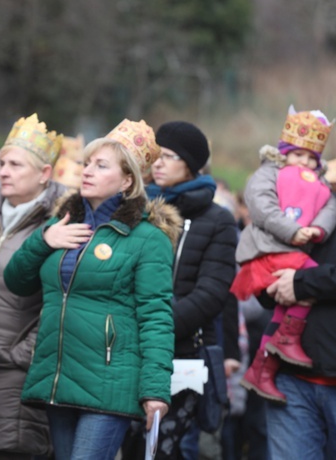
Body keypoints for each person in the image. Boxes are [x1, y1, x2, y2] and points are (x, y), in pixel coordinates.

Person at [3, 120, 181, 460]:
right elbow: (16, 282)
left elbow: (156, 316)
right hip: (58, 376)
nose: (87, 171)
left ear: (127, 180)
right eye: (87, 164)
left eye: (101, 166)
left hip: (110, 381)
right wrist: (43, 240)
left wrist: (156, 391)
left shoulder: (148, 239)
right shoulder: (62, 224)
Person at [122, 120, 238, 460]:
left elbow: (213, 293)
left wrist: (155, 329)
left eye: (169, 156)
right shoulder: (135, 210)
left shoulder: (218, 220)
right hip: (128, 352)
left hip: (183, 353)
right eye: (155, 155)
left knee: (163, 448)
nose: (157, 163)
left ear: (191, 164)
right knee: (127, 448)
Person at [0, 113, 64, 460]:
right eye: (3, 162)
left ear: (44, 174)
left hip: (18, 369)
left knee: (11, 448)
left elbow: (61, 297)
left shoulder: (60, 223)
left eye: (16, 165)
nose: (4, 171)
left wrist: (24, 353)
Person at [232, 107, 336, 403]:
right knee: (306, 280)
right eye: (297, 155)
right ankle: (283, 343)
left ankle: (262, 366)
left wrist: (318, 230)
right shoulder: (268, 173)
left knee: (288, 302)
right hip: (269, 249)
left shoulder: (320, 184)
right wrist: (292, 231)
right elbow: (261, 205)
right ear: (283, 153)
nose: (303, 162)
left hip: (291, 249)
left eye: (310, 158)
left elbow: (330, 207)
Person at [263, 152, 336, 458]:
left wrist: (301, 284)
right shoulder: (316, 201)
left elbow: (299, 280)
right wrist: (270, 285)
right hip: (290, 376)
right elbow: (274, 260)